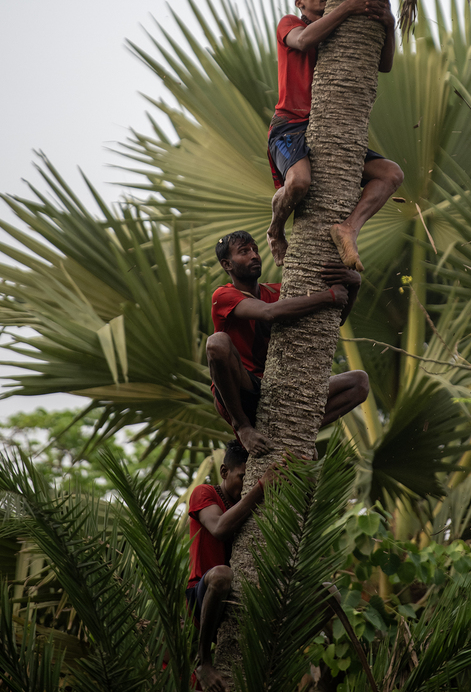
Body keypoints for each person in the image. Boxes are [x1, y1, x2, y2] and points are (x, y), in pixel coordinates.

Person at [267, 0, 403, 270]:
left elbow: (385, 64)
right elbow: (302, 41)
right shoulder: (290, 23)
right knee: (301, 182)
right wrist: (348, 6)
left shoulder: (341, 32)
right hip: (289, 125)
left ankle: (349, 228)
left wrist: (389, 25)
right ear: (299, 2)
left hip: (328, 131)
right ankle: (276, 229)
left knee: (391, 174)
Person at [206, 231, 369, 456]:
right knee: (216, 343)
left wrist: (354, 287)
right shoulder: (223, 295)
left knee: (359, 383)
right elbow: (269, 313)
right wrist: (328, 296)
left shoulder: (277, 291)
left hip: (276, 389)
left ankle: (298, 430)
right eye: (244, 252)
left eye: (254, 249)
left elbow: (333, 321)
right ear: (227, 264)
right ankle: (243, 428)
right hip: (240, 390)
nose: (254, 255)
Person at [186, 438, 275, 692]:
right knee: (223, 576)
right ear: (224, 472)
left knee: (326, 592)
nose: (247, 486)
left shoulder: (253, 508)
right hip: (203, 596)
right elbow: (220, 528)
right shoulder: (205, 493)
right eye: (242, 478)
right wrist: (260, 488)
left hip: (242, 600)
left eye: (253, 480)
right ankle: (203, 662)